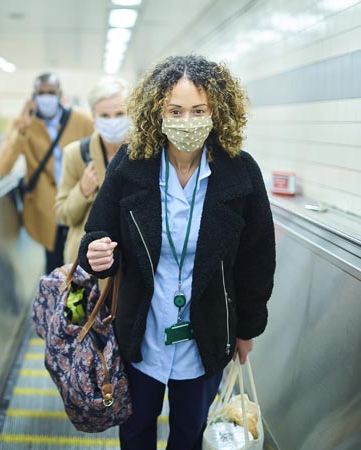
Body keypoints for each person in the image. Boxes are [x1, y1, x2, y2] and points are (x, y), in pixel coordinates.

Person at [78, 55, 276, 450]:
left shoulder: (240, 172)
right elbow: (96, 232)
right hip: (142, 332)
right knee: (136, 432)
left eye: (198, 110)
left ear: (217, 112)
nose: (187, 121)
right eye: (176, 111)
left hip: (207, 334)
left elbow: (257, 259)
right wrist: (96, 253)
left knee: (189, 434)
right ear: (158, 112)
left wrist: (247, 329)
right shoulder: (132, 164)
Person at [0, 73, 93, 274]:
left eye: (51, 92)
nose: (46, 97)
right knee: (54, 269)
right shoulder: (24, 124)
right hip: (46, 210)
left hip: (79, 204)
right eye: (41, 93)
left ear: (60, 94)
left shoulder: (81, 120)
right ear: (33, 96)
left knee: (81, 267)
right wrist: (22, 127)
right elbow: (3, 167)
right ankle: (56, 294)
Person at [55, 77, 130, 264]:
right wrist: (82, 191)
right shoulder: (76, 154)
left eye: (119, 114)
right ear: (94, 117)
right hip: (88, 264)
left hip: (131, 263)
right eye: (104, 115)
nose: (113, 121)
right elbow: (63, 215)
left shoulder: (145, 154)